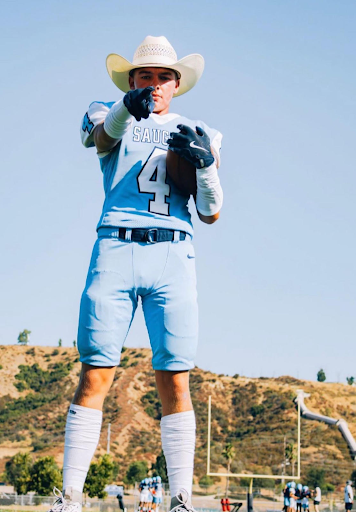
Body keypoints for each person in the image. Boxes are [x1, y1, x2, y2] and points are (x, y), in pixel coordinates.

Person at [49, 35, 223, 512]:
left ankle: (181, 498)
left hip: (174, 251)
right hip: (116, 245)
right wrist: (128, 107)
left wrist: (205, 168)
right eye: (145, 75)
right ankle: (70, 497)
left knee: (176, 379)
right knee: (95, 374)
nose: (155, 83)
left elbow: (210, 212)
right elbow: (99, 138)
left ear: (176, 83)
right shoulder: (110, 111)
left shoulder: (198, 129)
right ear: (132, 79)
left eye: (164, 76)